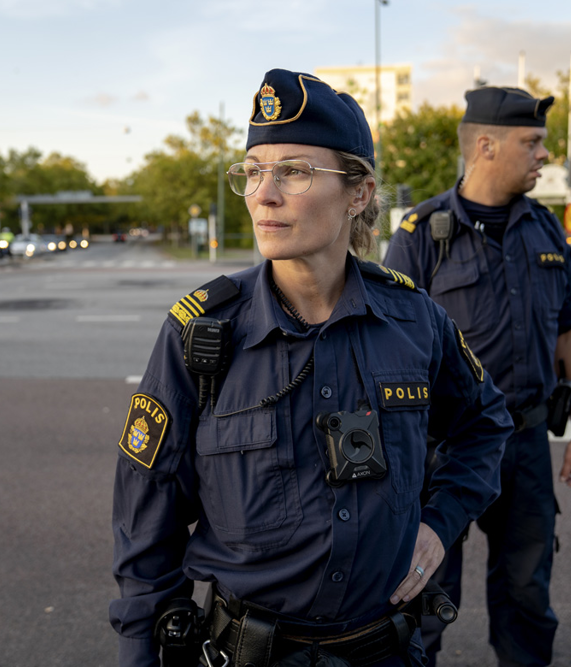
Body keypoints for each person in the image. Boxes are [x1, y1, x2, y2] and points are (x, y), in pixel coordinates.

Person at [110, 69, 512, 667]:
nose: (263, 194)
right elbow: (146, 530)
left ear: (359, 193)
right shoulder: (200, 333)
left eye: (294, 171)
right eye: (252, 171)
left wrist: (440, 522)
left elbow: (485, 423)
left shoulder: (414, 320)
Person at [383, 86, 571, 667]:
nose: (543, 155)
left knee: (527, 587)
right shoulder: (421, 232)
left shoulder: (548, 230)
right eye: (532, 143)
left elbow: (569, 332)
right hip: (440, 448)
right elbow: (384, 344)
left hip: (523, 440)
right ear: (485, 145)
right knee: (423, 585)